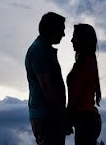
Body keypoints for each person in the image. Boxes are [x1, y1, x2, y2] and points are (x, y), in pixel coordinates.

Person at [25, 11, 71, 144]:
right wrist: (63, 115)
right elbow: (47, 87)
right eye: (61, 30)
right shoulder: (38, 50)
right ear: (51, 29)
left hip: (50, 116)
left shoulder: (43, 50)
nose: (63, 34)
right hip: (47, 117)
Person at [67, 23, 102, 145]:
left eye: (74, 37)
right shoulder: (87, 62)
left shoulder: (85, 63)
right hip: (86, 120)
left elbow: (75, 96)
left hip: (85, 121)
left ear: (83, 40)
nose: (71, 40)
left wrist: (67, 119)